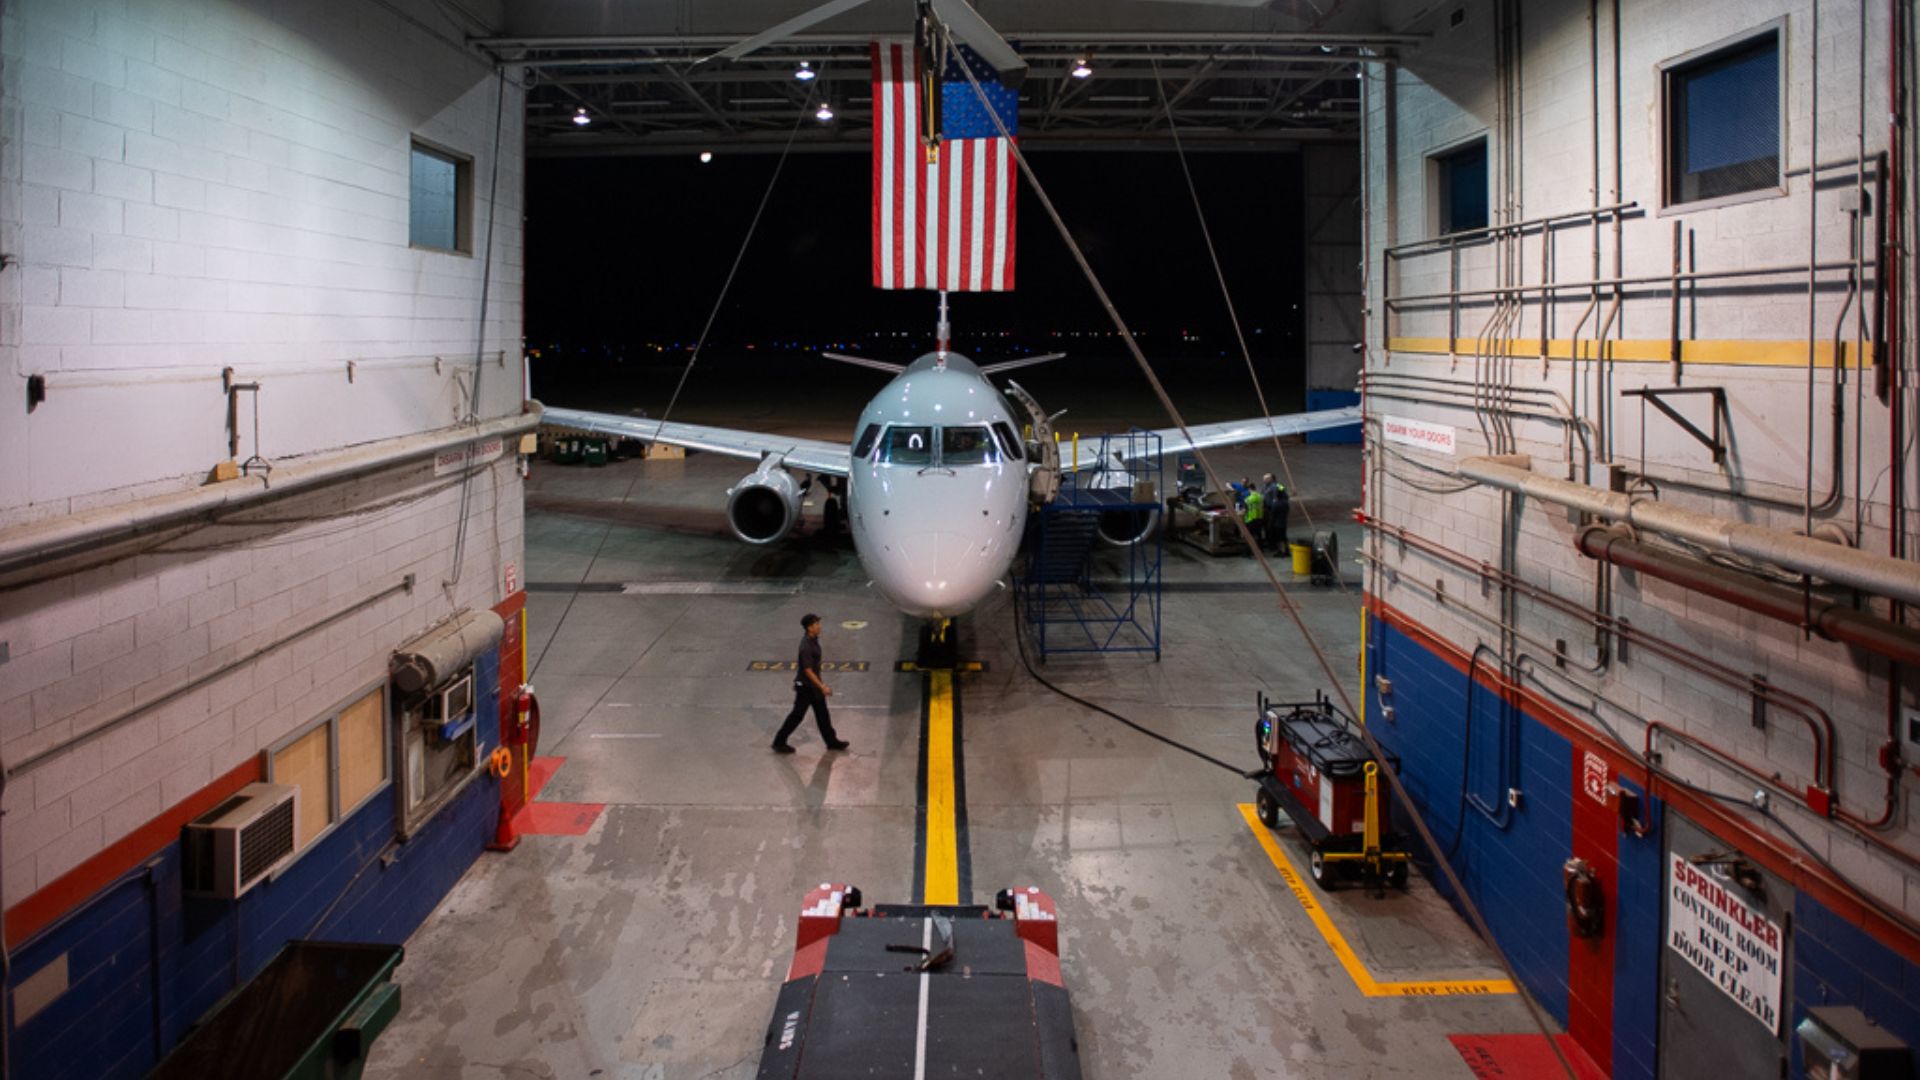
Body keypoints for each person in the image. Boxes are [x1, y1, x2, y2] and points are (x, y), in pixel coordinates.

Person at [772, 613, 849, 753]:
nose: (819, 626)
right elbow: (807, 670)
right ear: (809, 627)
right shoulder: (806, 646)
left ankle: (831, 741)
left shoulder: (813, 640)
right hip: (806, 687)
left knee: (823, 715)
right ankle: (779, 741)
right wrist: (822, 686)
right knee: (797, 715)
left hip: (813, 686)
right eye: (816, 624)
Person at [1261, 473, 1290, 552]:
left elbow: (1283, 492)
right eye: (1264, 478)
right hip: (1267, 509)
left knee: (1275, 528)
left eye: (1266, 478)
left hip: (1274, 509)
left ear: (1271, 479)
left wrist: (1277, 500)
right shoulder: (1264, 487)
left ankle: (1278, 545)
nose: (1264, 480)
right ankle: (1270, 542)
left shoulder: (1278, 486)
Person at [1240, 479, 1263, 556]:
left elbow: (1244, 510)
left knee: (1249, 536)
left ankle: (1247, 552)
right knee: (1258, 535)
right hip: (1259, 518)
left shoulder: (1248, 499)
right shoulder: (1260, 497)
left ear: (1249, 489)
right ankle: (1260, 550)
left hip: (1250, 519)